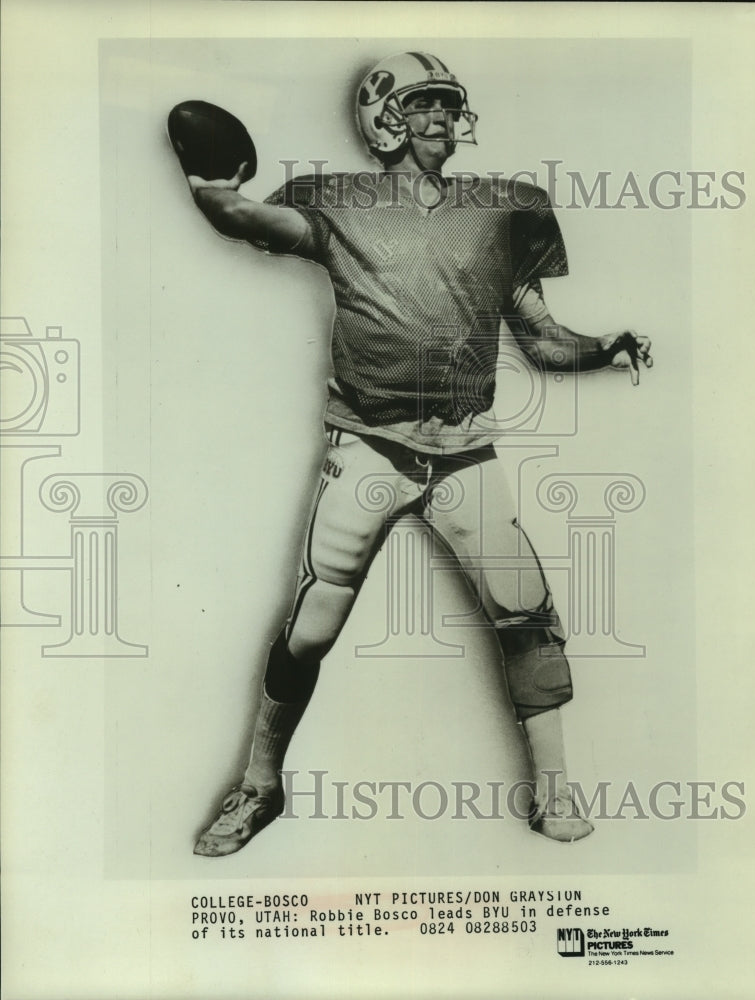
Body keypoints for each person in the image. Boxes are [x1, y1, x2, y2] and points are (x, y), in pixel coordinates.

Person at [182, 52, 652, 857]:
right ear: (385, 115)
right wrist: (215, 193)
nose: (440, 118)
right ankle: (262, 782)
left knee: (528, 618)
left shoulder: (503, 209)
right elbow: (258, 222)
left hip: (464, 452)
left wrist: (603, 347)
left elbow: (541, 339)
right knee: (311, 626)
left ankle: (555, 791)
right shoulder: (339, 201)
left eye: (447, 104)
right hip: (371, 446)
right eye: (423, 103)